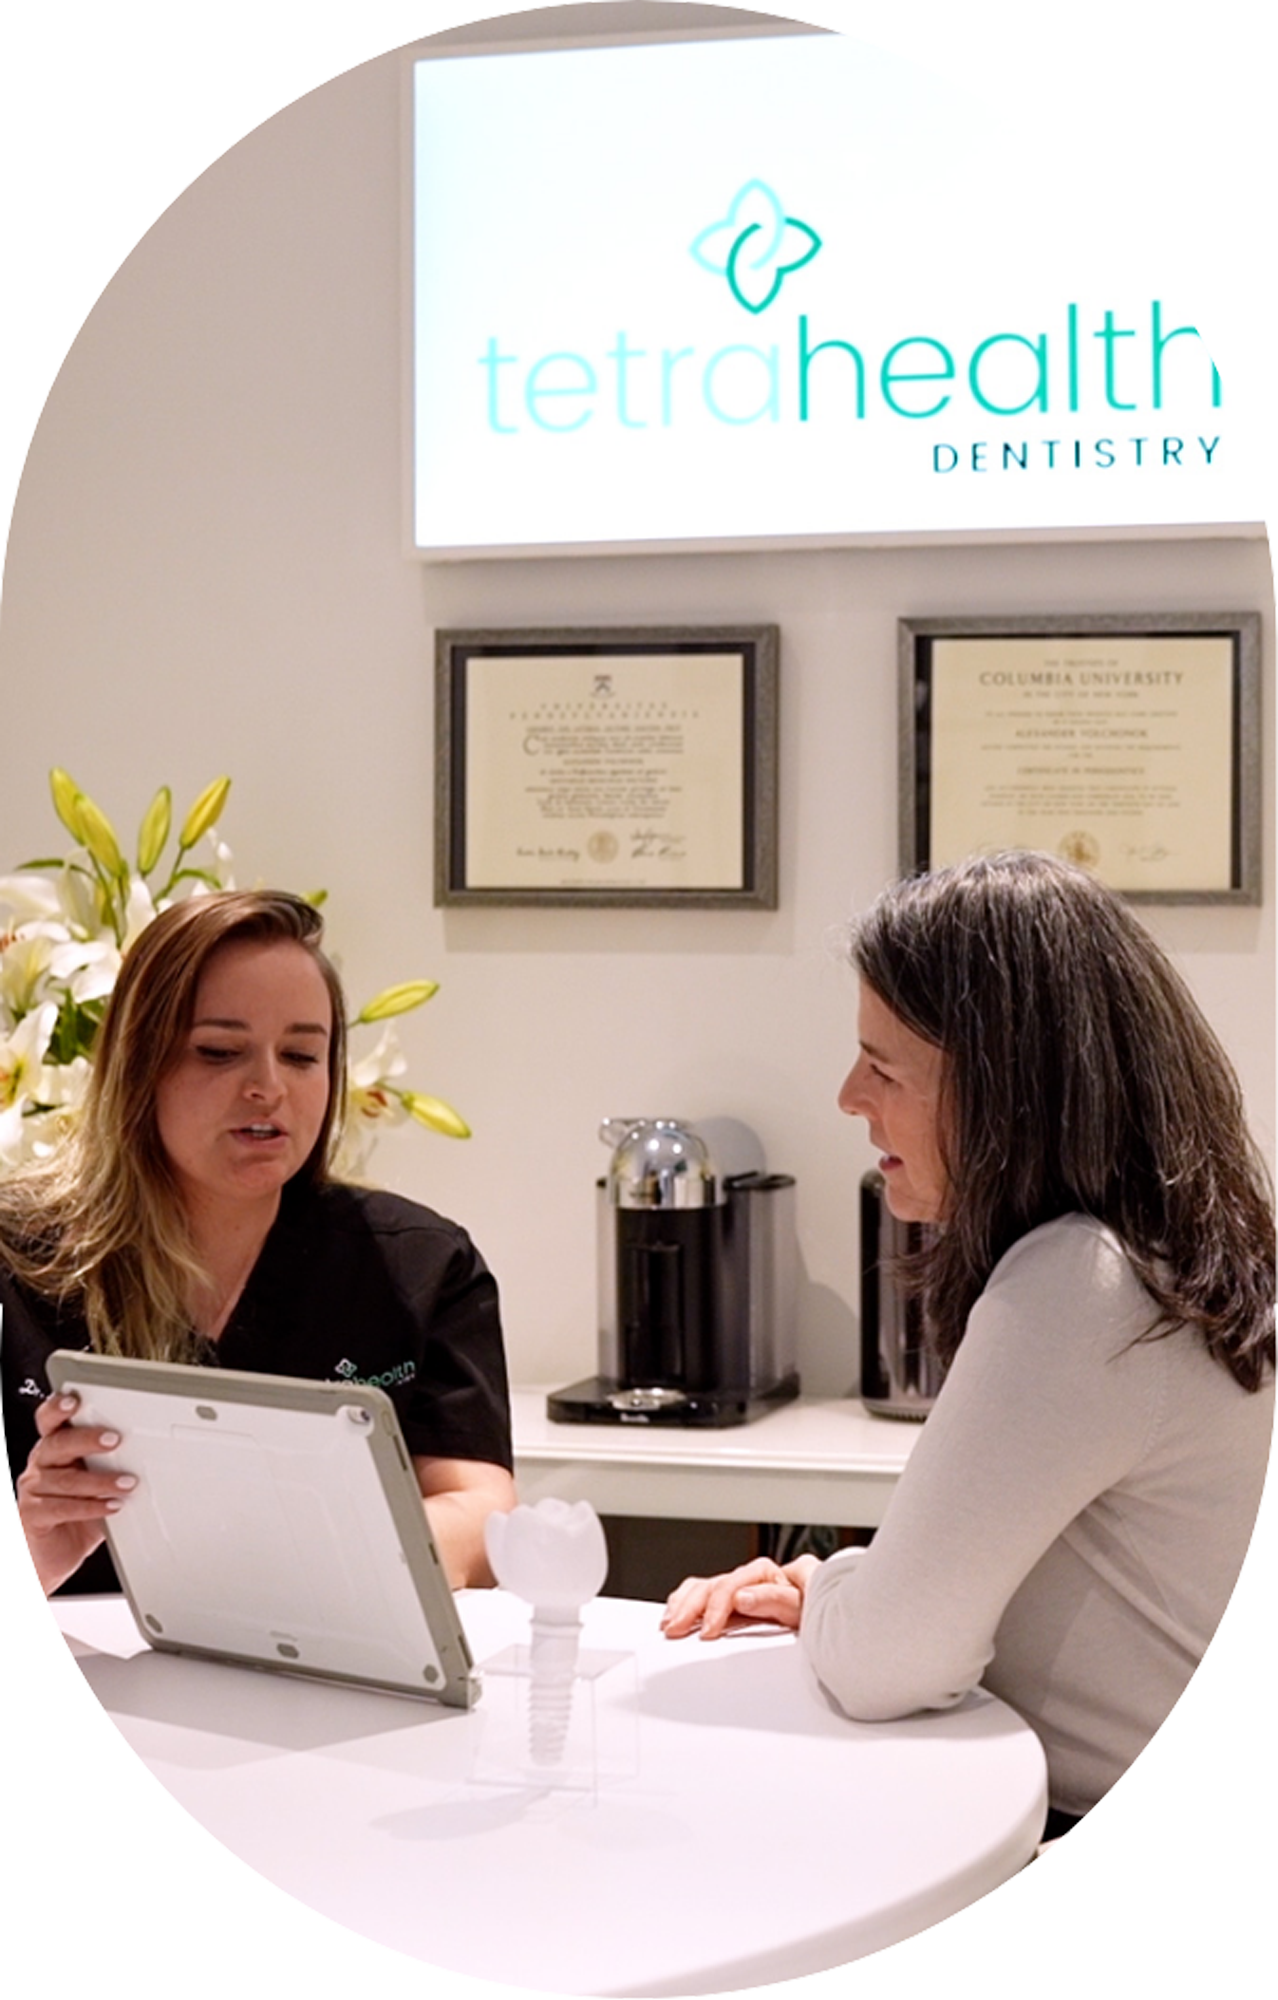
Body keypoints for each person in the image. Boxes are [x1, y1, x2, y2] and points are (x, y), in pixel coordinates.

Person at [661, 851, 1275, 1837]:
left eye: (885, 1064)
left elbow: (885, 1664)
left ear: (1006, 1091)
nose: (849, 1095)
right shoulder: (1162, 1260)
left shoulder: (1082, 1285)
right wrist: (847, 1587)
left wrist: (838, 1588)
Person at [0, 889, 516, 1598]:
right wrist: (30, 1551)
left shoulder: (419, 1265)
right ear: (137, 1067)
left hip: (320, 1679)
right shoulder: (16, 1258)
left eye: (302, 1055)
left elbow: (482, 1511)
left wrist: (312, 1549)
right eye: (219, 1052)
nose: (267, 1087)